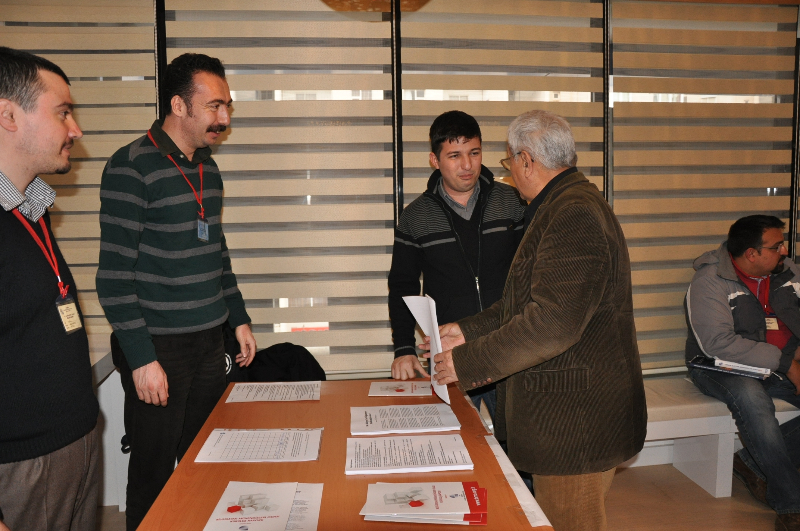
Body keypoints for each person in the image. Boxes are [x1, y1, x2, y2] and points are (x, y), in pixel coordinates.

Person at [429, 110, 647, 531]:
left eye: (509, 163)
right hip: (570, 415)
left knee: (570, 521)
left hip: (575, 423)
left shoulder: (573, 213)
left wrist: (468, 362)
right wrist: (468, 330)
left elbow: (550, 323)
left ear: (527, 160)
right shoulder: (561, 204)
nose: (510, 174)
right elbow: (528, 302)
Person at [96, 53, 257, 530]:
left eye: (227, 106)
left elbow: (217, 251)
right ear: (179, 106)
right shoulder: (131, 167)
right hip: (159, 350)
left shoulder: (208, 169)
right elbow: (114, 277)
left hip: (210, 343)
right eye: (214, 107)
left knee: (205, 464)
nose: (224, 119)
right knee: (153, 476)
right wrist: (142, 359)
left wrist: (239, 318)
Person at [0, 47, 100, 531]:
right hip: (24, 465)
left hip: (75, 444)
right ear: (8, 115)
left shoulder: (31, 207)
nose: (75, 129)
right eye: (62, 113)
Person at [388, 110, 525, 420]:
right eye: (454, 156)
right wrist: (404, 348)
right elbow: (402, 286)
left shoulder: (512, 202)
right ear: (434, 160)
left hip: (506, 349)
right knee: (454, 439)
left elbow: (531, 274)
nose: (467, 165)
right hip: (449, 357)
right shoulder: (415, 217)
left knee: (515, 443)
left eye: (474, 153)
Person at [685, 215, 800, 531]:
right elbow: (718, 344)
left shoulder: (788, 272)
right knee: (754, 402)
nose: (785, 251)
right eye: (776, 246)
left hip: (782, 363)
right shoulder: (709, 281)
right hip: (720, 366)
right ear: (752, 253)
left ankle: (750, 462)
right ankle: (791, 504)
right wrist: (787, 363)